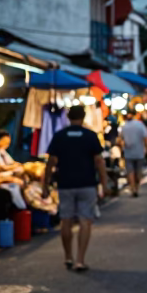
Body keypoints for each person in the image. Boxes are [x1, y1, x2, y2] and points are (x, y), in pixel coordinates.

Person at [42, 104, 109, 272]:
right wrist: (104, 183)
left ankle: (68, 257)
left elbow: (50, 162)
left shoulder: (59, 136)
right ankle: (80, 260)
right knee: (85, 220)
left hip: (65, 184)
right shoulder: (90, 136)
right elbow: (99, 161)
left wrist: (46, 184)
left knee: (66, 220)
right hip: (87, 184)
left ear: (68, 117)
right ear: (84, 116)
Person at [0, 129, 27, 209]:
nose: (7, 144)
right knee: (17, 183)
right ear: (0, 139)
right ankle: (20, 207)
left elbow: (11, 162)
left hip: (6, 175)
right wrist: (12, 167)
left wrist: (16, 165)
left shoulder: (2, 151)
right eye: (5, 141)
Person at [118, 112, 147, 197]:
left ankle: (133, 189)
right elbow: (146, 138)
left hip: (128, 152)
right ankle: (137, 187)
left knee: (130, 171)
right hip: (140, 152)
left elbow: (120, 139)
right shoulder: (140, 125)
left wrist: (122, 147)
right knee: (138, 171)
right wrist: (146, 149)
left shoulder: (124, 126)